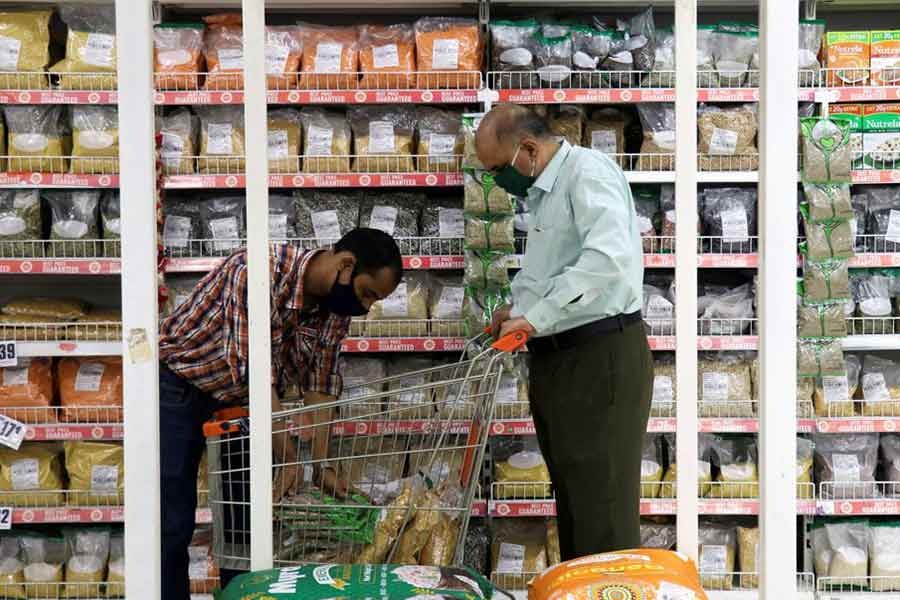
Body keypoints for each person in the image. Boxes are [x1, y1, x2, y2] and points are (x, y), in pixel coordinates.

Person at [157, 229, 402, 600]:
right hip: (180, 386)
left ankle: (238, 596)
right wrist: (288, 458)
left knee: (244, 522)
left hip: (237, 402)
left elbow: (320, 383)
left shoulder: (335, 309)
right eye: (368, 293)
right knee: (173, 517)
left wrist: (321, 465)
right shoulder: (254, 272)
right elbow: (256, 373)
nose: (366, 307)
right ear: (346, 266)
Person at [476, 104, 652, 560]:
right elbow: (554, 269)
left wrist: (537, 317)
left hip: (600, 357)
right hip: (560, 358)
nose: (496, 179)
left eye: (497, 168)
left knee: (603, 509)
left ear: (529, 148)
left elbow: (606, 261)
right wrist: (519, 308)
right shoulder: (542, 192)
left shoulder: (587, 174)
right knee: (576, 501)